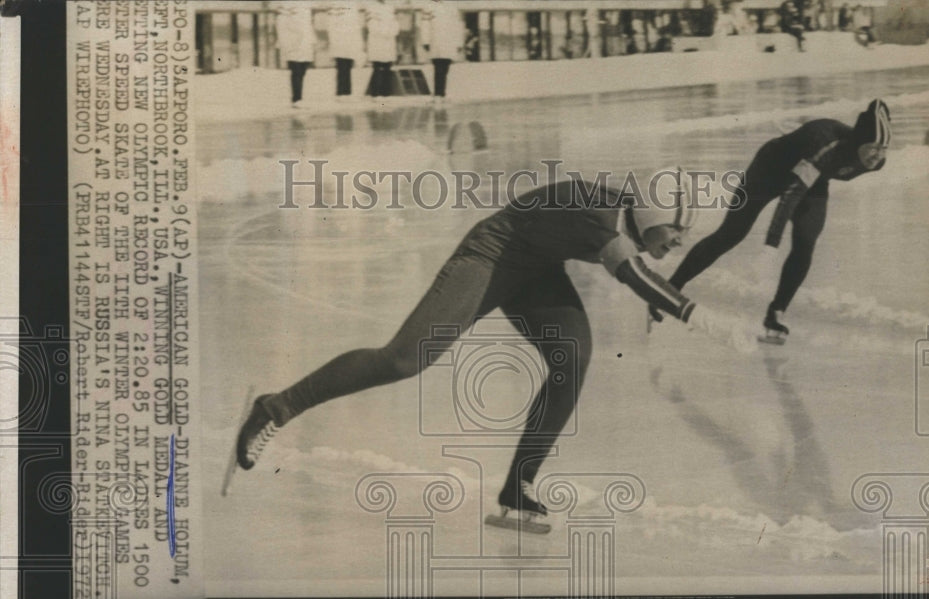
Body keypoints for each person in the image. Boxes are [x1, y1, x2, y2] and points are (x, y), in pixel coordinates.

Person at [234, 172, 751, 525]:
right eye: (677, 230)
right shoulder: (605, 220)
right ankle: (275, 408)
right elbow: (635, 276)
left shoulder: (627, 217)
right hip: (491, 255)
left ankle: (517, 486)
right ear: (653, 216)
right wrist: (703, 318)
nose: (679, 241)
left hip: (536, 268)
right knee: (404, 359)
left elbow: (637, 270)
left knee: (571, 357)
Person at [667, 100, 892, 343]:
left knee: (806, 242)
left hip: (814, 178)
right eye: (873, 147)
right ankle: (670, 289)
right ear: (858, 141)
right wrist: (770, 247)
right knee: (731, 234)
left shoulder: (876, 163)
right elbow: (791, 195)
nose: (877, 155)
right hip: (769, 170)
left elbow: (812, 179)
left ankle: (776, 313)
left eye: (883, 148)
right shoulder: (825, 144)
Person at [274, 2, 317, 108]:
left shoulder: (305, 7)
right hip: (292, 42)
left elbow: (308, 24)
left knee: (302, 70)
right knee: (296, 70)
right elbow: (282, 23)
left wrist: (312, 39)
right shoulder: (285, 10)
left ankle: (298, 98)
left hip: (305, 43)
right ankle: (296, 99)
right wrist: (287, 41)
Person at [424, 1, 464, 102]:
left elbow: (457, 26)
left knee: (445, 68)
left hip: (449, 42)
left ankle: (442, 94)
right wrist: (425, 41)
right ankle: (438, 94)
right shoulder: (429, 7)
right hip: (435, 41)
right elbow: (425, 26)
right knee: (438, 68)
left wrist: (459, 42)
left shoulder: (452, 7)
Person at [327, 0, 365, 100]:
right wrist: (334, 40)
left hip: (350, 41)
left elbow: (356, 26)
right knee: (342, 66)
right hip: (339, 40)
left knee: (348, 66)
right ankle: (341, 93)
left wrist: (358, 43)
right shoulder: (336, 4)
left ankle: (347, 92)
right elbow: (331, 23)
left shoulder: (353, 5)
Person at [365, 0, 400, 100]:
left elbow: (395, 23)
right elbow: (371, 25)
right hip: (377, 41)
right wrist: (384, 33)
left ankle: (386, 93)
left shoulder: (391, 7)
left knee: (387, 67)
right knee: (377, 67)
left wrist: (392, 32)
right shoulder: (371, 7)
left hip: (389, 41)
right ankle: (375, 94)